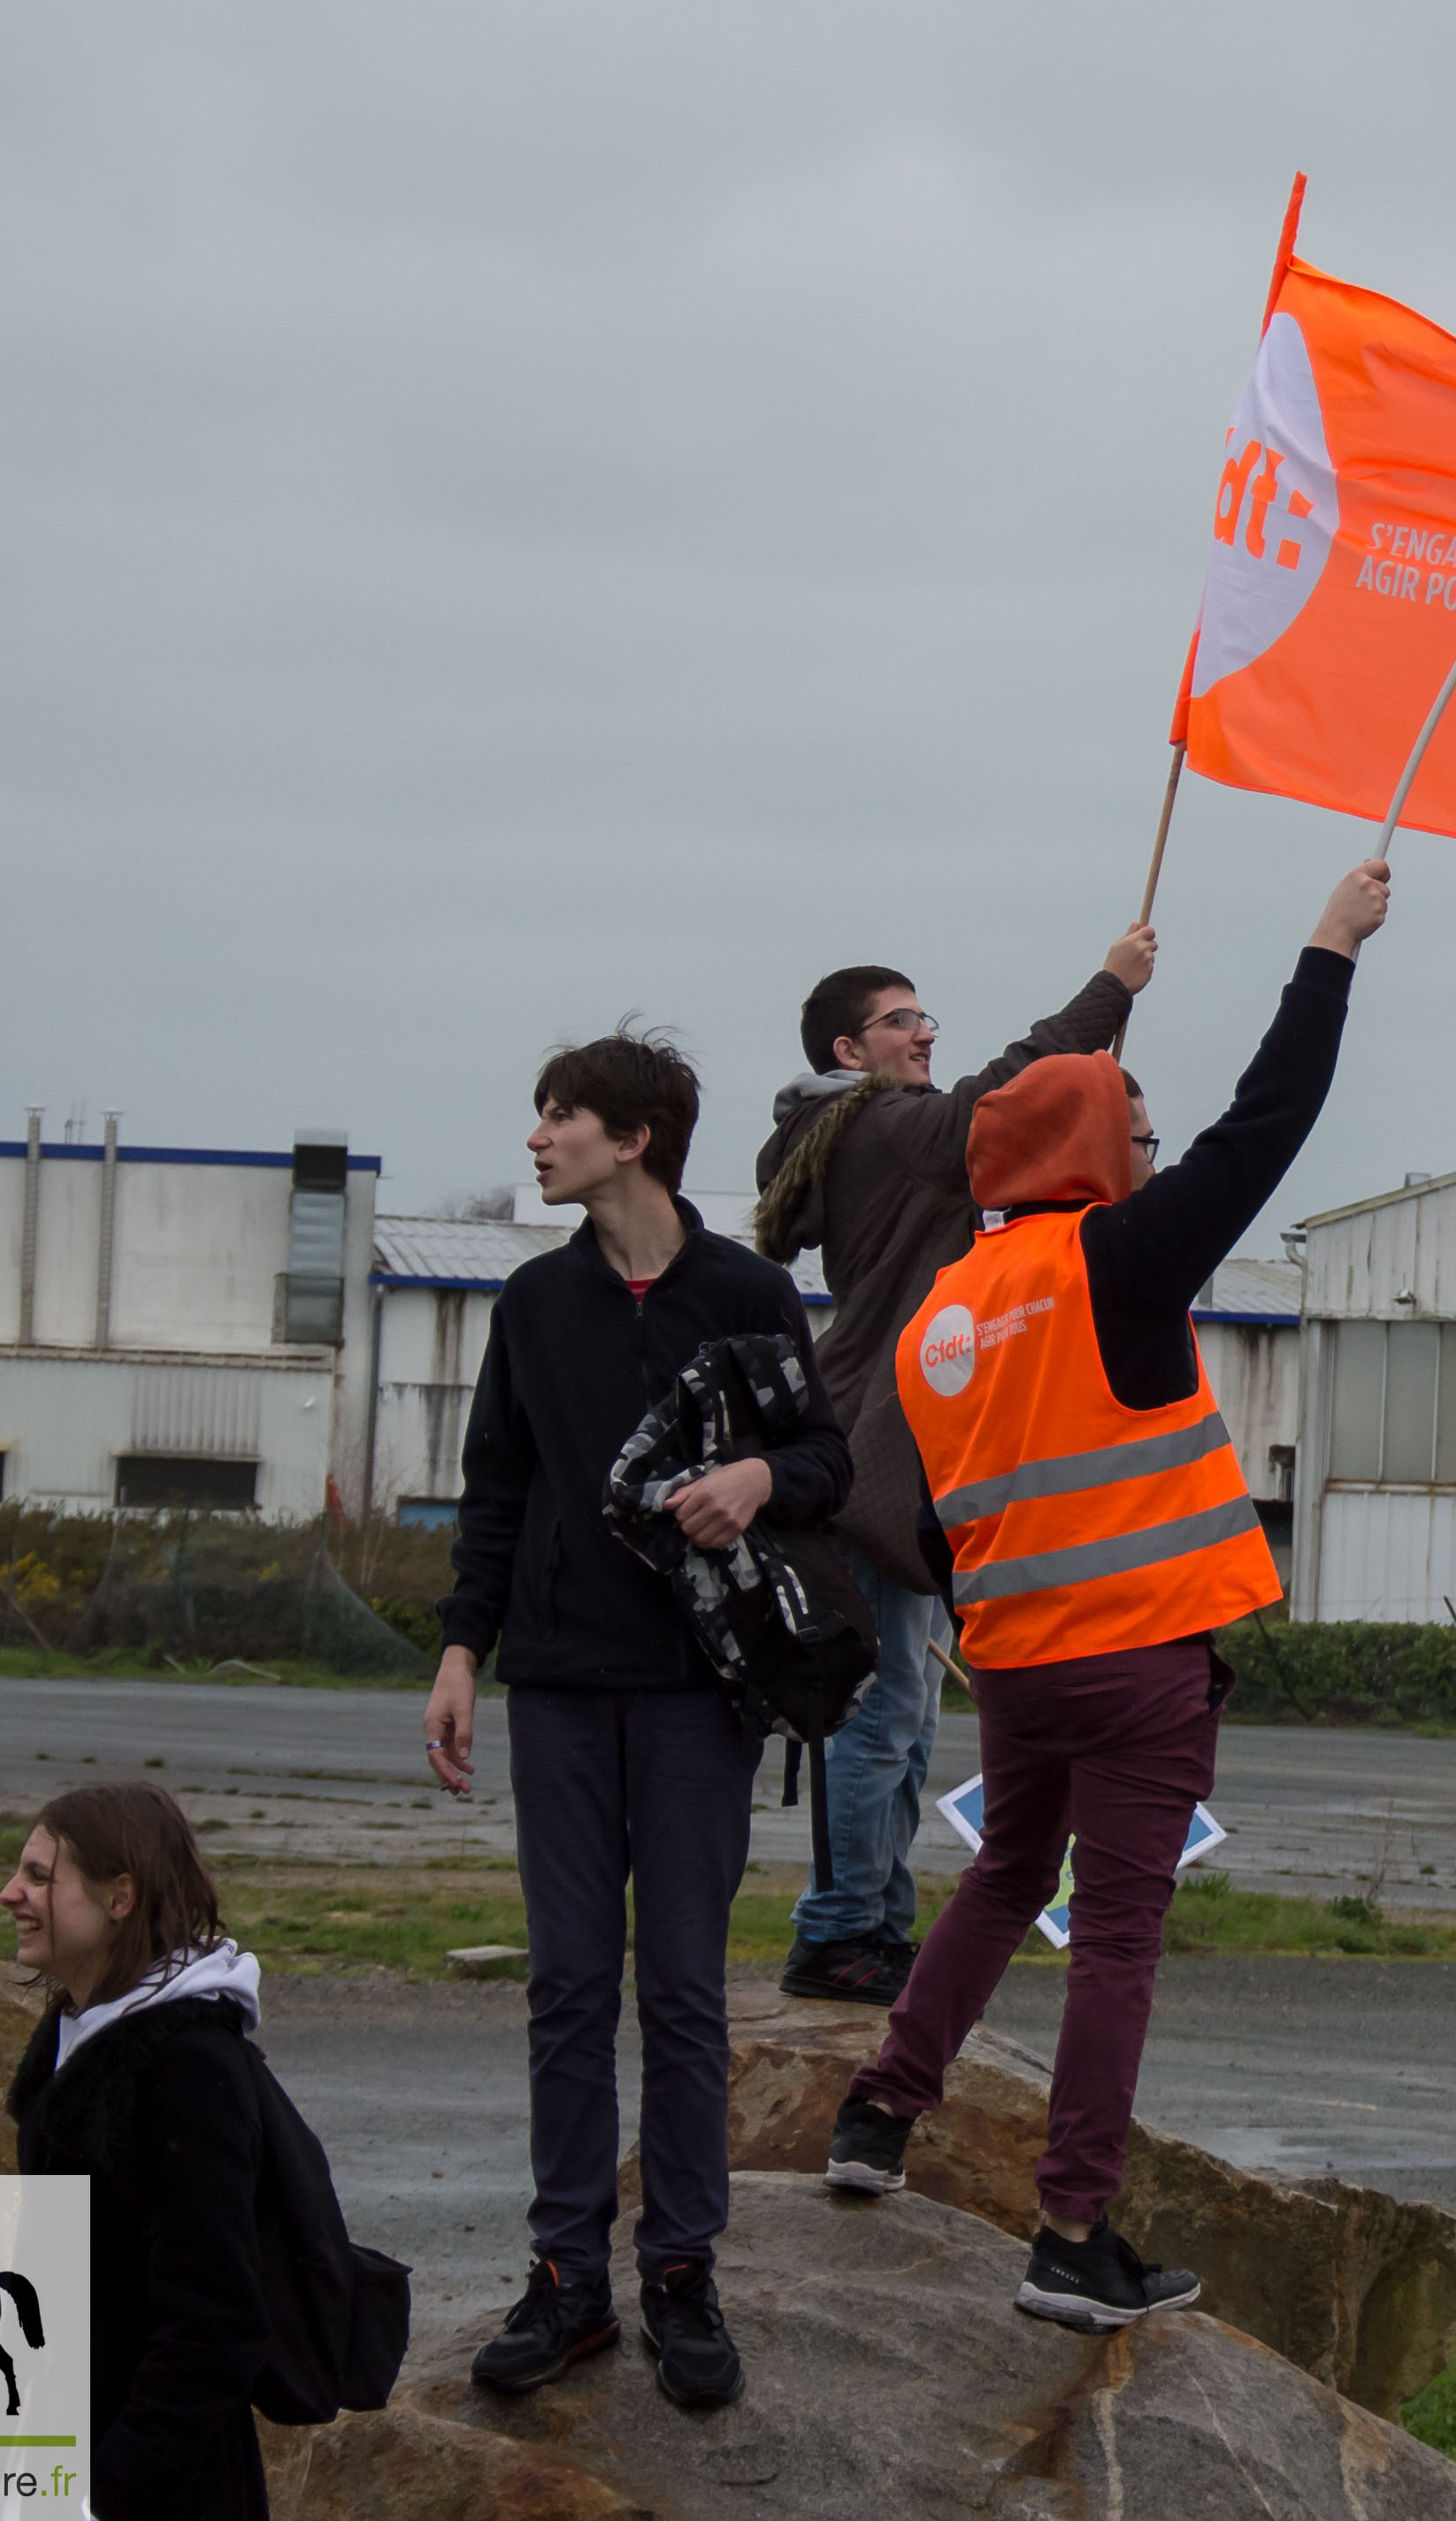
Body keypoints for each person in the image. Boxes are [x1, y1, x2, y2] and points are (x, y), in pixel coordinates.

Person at [822, 860, 1389, 2333]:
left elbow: (921, 1512)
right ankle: (1071, 2234)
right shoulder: (1121, 1264)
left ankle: (878, 2114)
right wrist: (1326, 950)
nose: (1151, 1145)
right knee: (1114, 1937)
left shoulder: (946, 1311)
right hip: (1142, 1666)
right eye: (1132, 1127)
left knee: (1007, 1877)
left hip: (1015, 1664)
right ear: (1090, 1150)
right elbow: (1267, 1124)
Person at [426, 1026, 849, 2411]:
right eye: (541, 1113)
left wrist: (755, 1482)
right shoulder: (533, 1304)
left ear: (635, 1139)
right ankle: (566, 2281)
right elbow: (496, 1488)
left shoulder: (747, 1290)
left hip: (694, 1693)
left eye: (562, 1117)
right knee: (563, 1989)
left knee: (677, 1990)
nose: (539, 1139)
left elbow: (826, 1460)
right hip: (553, 1683)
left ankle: (680, 2272)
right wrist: (457, 1648)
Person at [751, 928, 1153, 2006]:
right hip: (880, 1459)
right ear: (849, 1050)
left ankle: (875, 1927)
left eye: (926, 1017)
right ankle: (839, 1930)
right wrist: (1108, 989)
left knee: (908, 1718)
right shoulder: (881, 1124)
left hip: (908, 1459)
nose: (926, 1033)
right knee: (877, 1717)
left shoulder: (862, 1130)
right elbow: (1003, 1092)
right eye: (902, 1020)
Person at [4, 1783, 272, 2520]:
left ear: (119, 1897)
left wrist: (110, 2495)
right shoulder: (72, 2036)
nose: (9, 1894)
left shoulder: (186, 2067)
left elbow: (216, 2327)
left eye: (38, 1876)